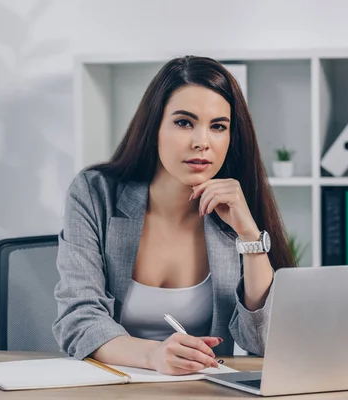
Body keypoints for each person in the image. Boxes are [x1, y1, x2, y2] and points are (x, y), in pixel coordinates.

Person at [52, 55, 296, 376]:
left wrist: (249, 236)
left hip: (203, 391)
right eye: (184, 122)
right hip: (111, 387)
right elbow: (77, 319)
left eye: (218, 126)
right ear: (154, 126)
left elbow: (264, 341)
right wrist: (153, 355)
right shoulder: (96, 192)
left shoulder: (238, 203)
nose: (201, 142)